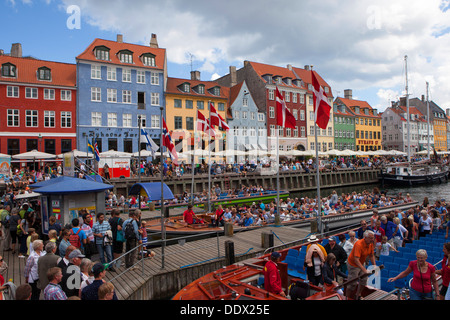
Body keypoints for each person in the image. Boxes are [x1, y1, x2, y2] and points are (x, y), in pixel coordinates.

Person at [346, 230, 376, 300]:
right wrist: (364, 270)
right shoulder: (358, 244)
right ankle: (347, 297)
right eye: (371, 238)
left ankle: (358, 294)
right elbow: (356, 260)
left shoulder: (371, 244)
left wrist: (374, 266)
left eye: (373, 238)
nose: (373, 239)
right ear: (365, 237)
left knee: (364, 279)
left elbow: (371, 255)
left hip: (361, 262)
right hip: (353, 264)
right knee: (352, 283)